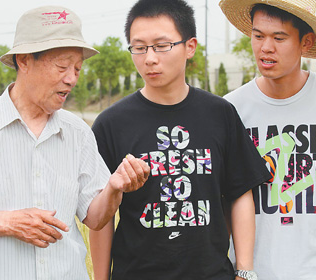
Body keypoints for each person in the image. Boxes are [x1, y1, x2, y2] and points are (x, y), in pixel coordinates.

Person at [0, 5, 149, 280]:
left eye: (77, 68)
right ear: (24, 61)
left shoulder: (78, 132)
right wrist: (9, 222)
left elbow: (95, 219)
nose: (72, 79)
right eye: (62, 66)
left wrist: (113, 188)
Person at [89, 0, 272, 279]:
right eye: (139, 47)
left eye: (162, 45)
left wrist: (244, 270)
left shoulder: (219, 113)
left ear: (190, 46)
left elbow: (240, 191)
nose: (149, 58)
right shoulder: (111, 123)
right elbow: (100, 215)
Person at [220, 0, 316, 279]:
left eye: (279, 38)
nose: (266, 48)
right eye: (258, 36)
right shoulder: (230, 110)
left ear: (305, 41)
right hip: (251, 272)